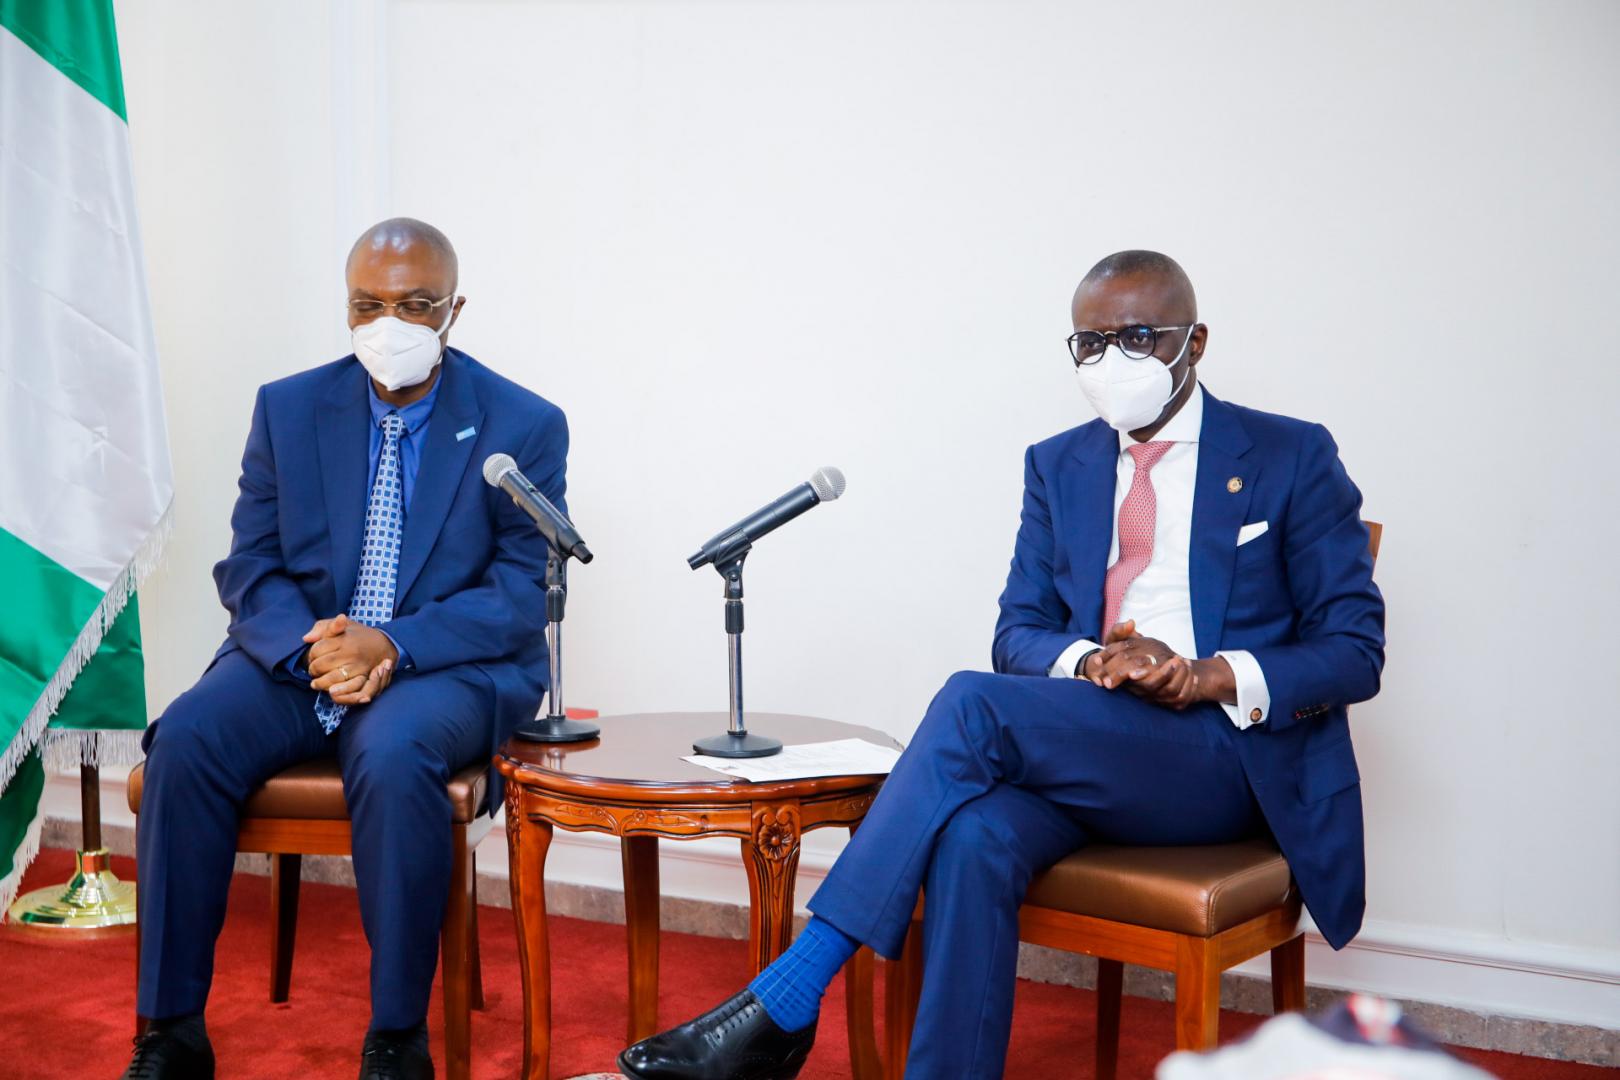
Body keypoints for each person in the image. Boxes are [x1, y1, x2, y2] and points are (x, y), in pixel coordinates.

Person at [618, 250, 1385, 1080]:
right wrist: (1095, 662)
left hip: (1224, 759)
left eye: (1136, 337)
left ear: (1193, 342)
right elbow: (1017, 632)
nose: (1109, 361)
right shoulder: (1060, 464)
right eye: (1089, 344)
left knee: (971, 707)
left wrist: (1200, 675)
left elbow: (1354, 650)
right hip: (1098, 745)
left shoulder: (1290, 454)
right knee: (975, 836)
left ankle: (785, 999)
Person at [121, 219, 568, 1080]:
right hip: (303, 655)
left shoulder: (524, 424)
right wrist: (319, 651)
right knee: (187, 738)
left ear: (454, 311)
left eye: (414, 305)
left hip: (445, 664)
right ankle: (170, 1029)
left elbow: (520, 594)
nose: (388, 324)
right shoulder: (288, 406)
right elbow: (250, 561)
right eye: (368, 305)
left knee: (392, 749)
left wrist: (390, 645)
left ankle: (397, 1037)